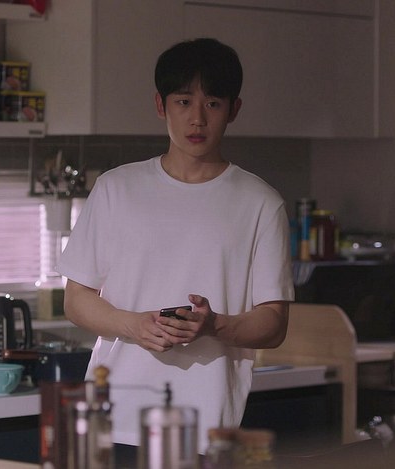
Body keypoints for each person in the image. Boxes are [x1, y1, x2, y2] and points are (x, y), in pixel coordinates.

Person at [56, 37, 294, 453]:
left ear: (234, 109)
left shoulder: (261, 203)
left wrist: (215, 325)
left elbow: (273, 323)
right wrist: (134, 325)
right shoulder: (116, 189)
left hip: (204, 429)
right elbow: (76, 300)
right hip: (111, 420)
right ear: (160, 105)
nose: (197, 119)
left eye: (213, 103)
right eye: (183, 102)